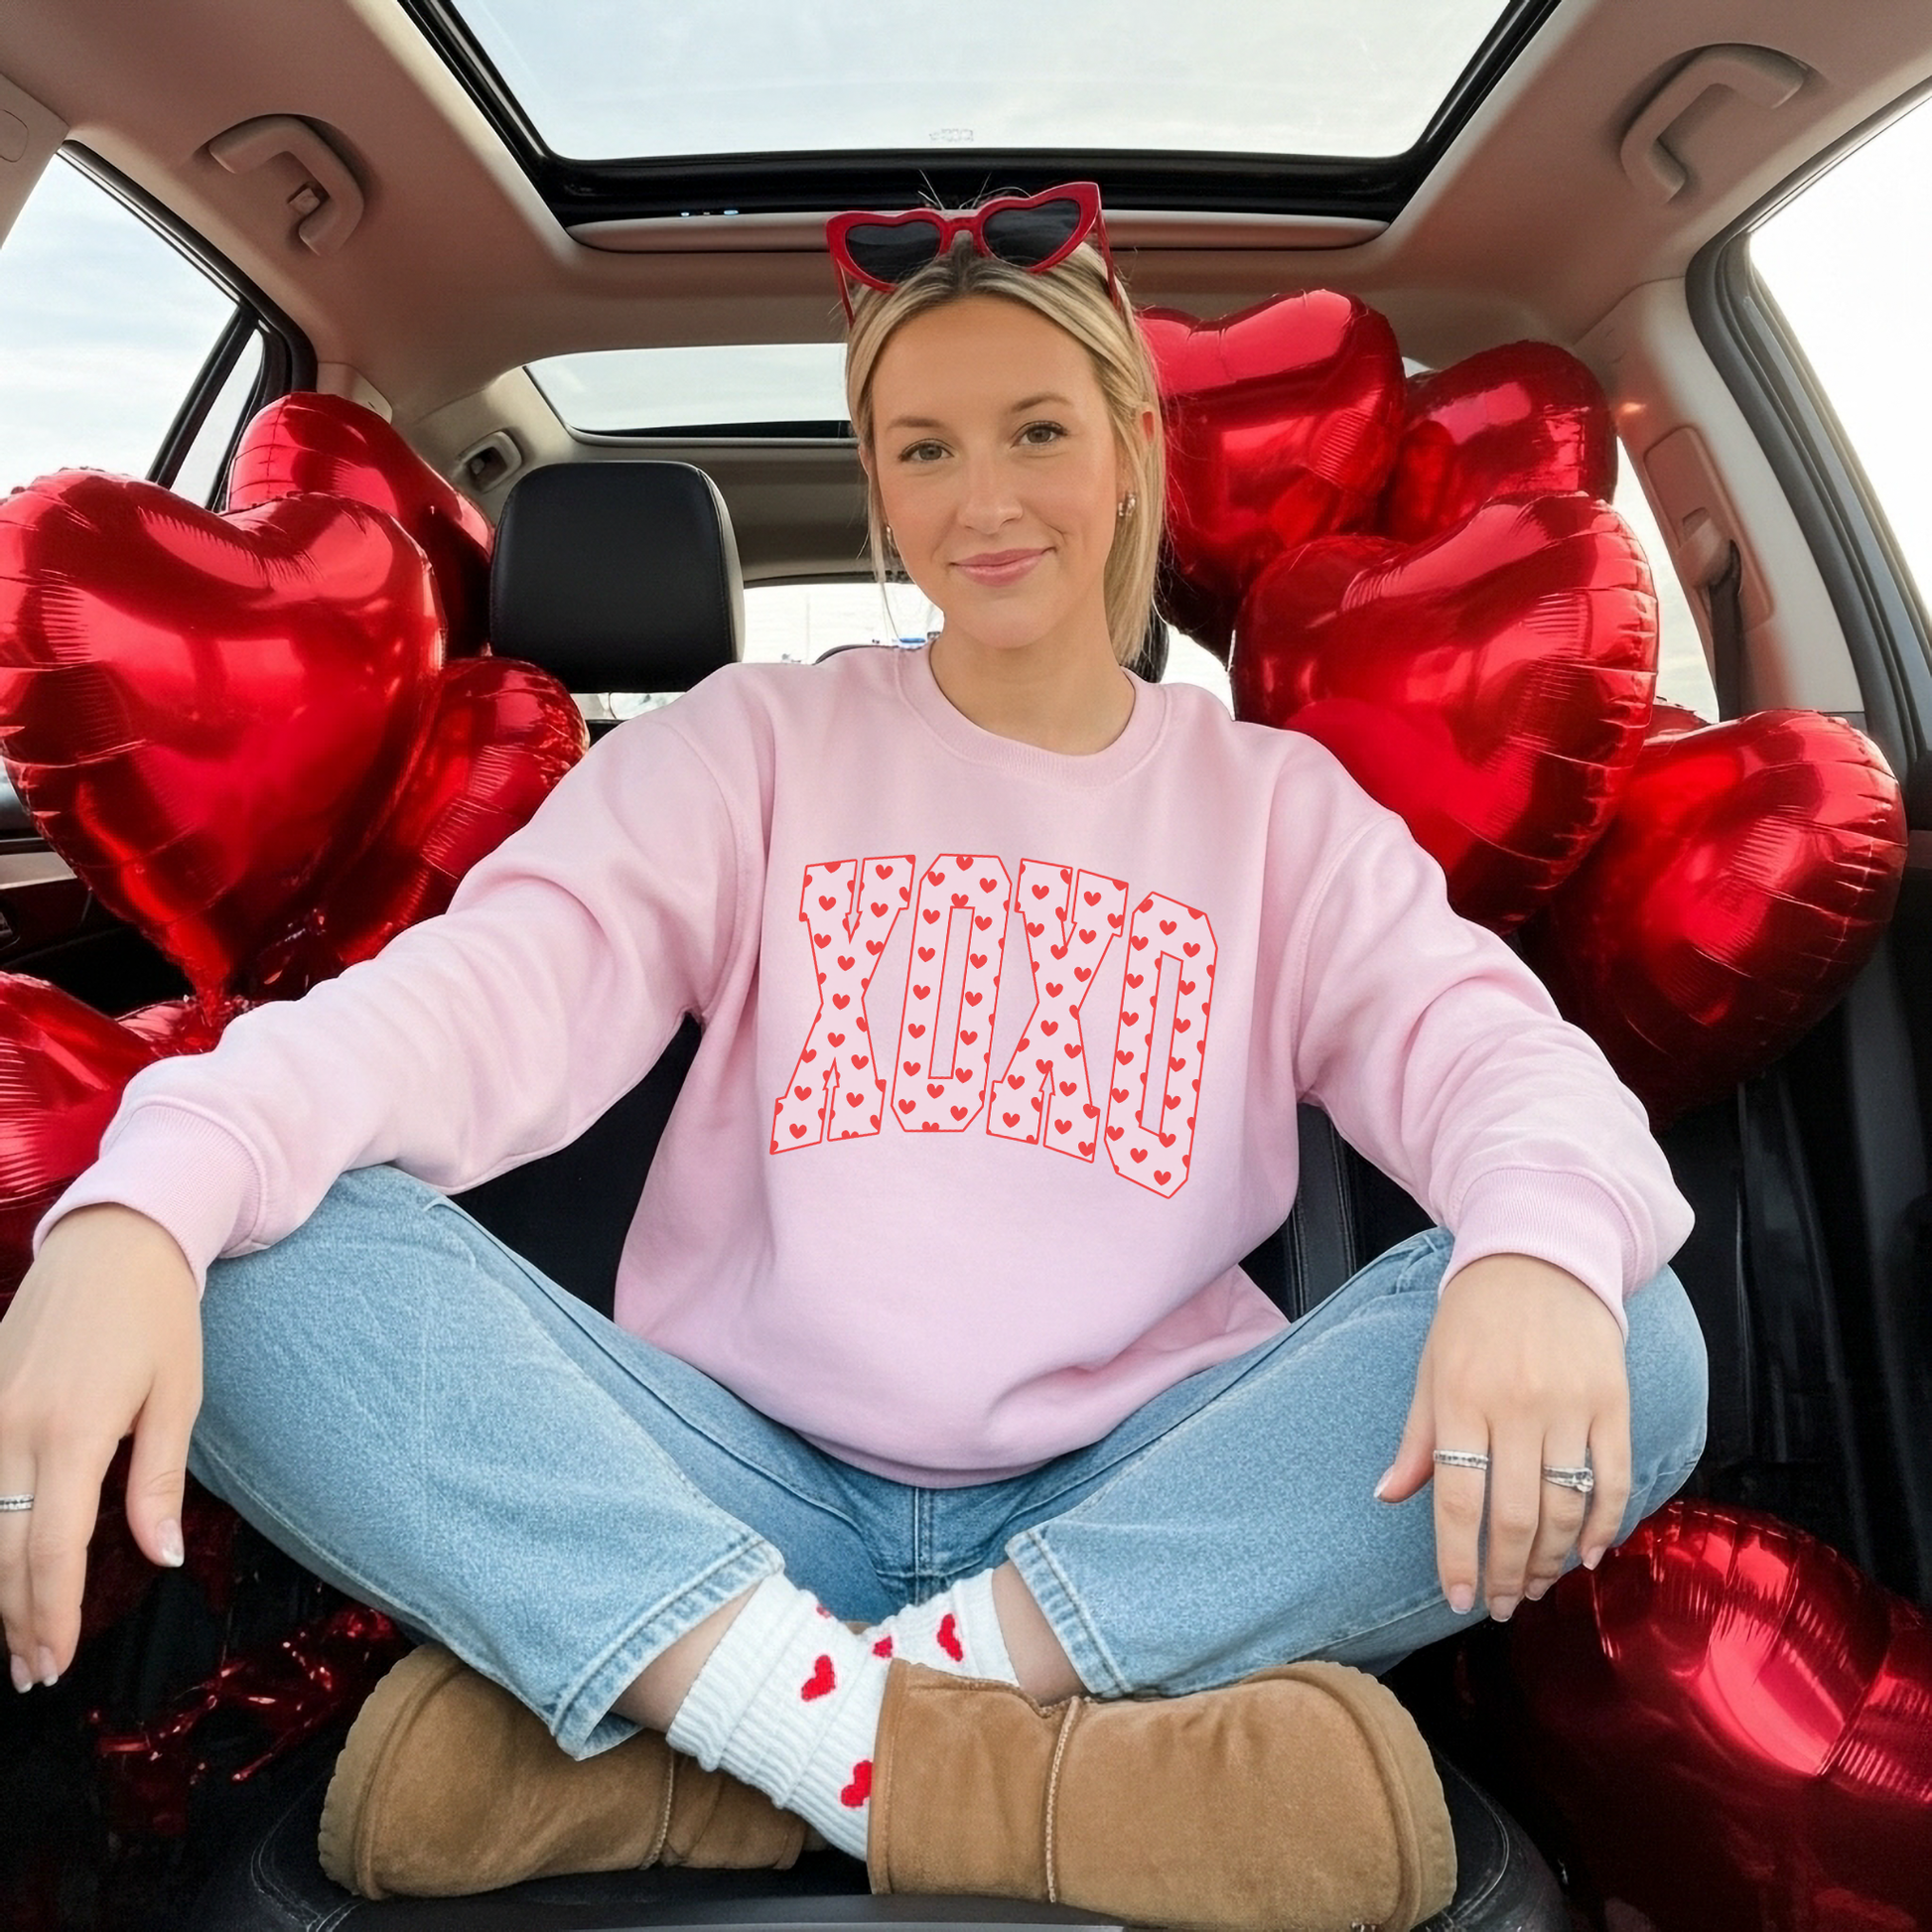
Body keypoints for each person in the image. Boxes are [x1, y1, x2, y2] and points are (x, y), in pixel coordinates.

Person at [0, 185, 1708, 1931]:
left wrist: (1528, 1245)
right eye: (923, 447)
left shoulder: (1276, 811)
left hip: (1132, 1508)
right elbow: (476, 998)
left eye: (1035, 429)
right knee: (244, 1252)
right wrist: (141, 1203)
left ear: (1128, 448)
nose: (983, 499)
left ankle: (748, 1739)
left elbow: (1487, 1051)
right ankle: (949, 1764)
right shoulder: (754, 746)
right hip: (733, 1485)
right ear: (877, 480)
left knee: (1627, 1330)